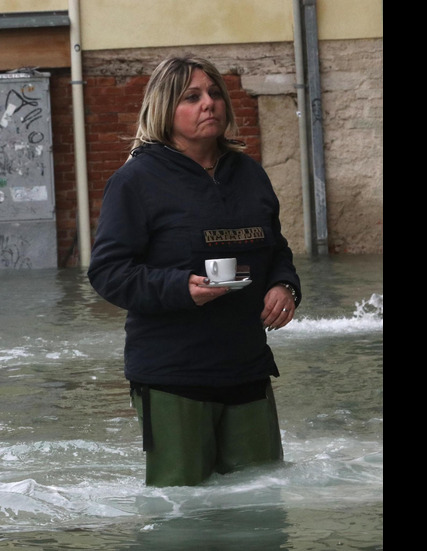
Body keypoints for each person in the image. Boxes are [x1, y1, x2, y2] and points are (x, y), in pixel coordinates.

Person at [87, 55, 302, 487]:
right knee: (183, 512)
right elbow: (108, 272)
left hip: (247, 368)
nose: (210, 104)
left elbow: (276, 249)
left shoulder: (250, 174)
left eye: (215, 93)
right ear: (166, 109)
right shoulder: (136, 181)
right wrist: (180, 287)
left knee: (260, 502)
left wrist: (285, 286)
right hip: (173, 376)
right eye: (192, 97)